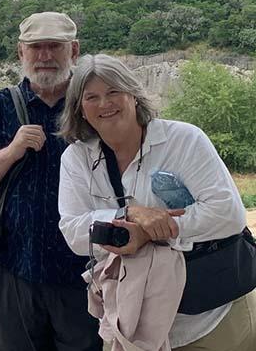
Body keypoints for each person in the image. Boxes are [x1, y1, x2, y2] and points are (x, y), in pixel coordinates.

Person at [57, 54, 255, 350]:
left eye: (114, 92)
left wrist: (150, 231)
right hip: (132, 324)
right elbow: (73, 230)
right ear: (80, 110)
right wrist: (130, 214)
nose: (104, 104)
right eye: (91, 97)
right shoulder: (77, 159)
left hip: (210, 313)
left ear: (133, 96)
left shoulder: (184, 140)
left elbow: (227, 214)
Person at [0, 12, 100, 350]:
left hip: (83, 271)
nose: (45, 56)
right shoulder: (1, 104)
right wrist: (12, 151)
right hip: (15, 268)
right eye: (36, 47)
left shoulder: (93, 103)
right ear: (21, 52)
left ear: (74, 50)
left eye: (55, 46)